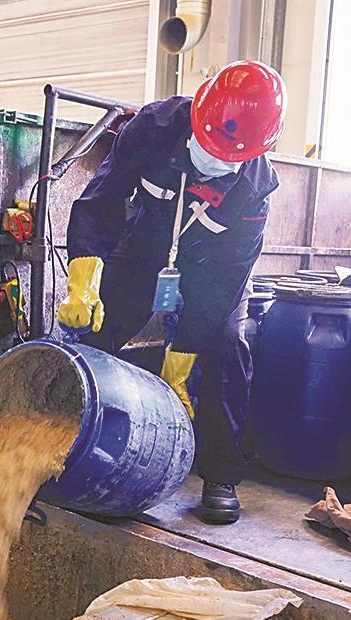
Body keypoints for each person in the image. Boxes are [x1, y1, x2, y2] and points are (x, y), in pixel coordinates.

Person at [58, 60, 285, 525]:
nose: (217, 157)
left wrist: (179, 362)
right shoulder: (151, 128)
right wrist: (84, 275)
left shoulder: (255, 190)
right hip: (145, 247)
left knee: (226, 344)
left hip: (212, 268)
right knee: (98, 324)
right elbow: (100, 200)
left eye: (231, 155)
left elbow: (225, 282)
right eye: (210, 143)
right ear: (197, 115)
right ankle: (64, 439)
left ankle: (220, 475)